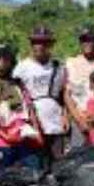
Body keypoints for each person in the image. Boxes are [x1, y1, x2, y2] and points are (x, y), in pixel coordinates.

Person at [0, 44, 43, 173]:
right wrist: (5, 134)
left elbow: (29, 110)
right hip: (1, 143)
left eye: (5, 57)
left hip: (25, 141)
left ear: (11, 60)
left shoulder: (17, 83)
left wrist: (37, 132)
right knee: (6, 184)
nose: (1, 61)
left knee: (33, 181)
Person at [13, 27, 66, 166]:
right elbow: (15, 94)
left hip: (56, 123)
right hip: (32, 125)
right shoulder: (22, 67)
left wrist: (66, 116)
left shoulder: (58, 66)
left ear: (50, 45)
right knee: (37, 166)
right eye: (36, 42)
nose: (39, 46)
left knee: (58, 164)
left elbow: (64, 93)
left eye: (44, 42)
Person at [65, 23, 94, 148]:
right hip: (79, 121)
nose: (87, 43)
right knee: (79, 160)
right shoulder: (71, 63)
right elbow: (67, 95)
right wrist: (79, 120)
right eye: (83, 40)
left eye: (90, 39)